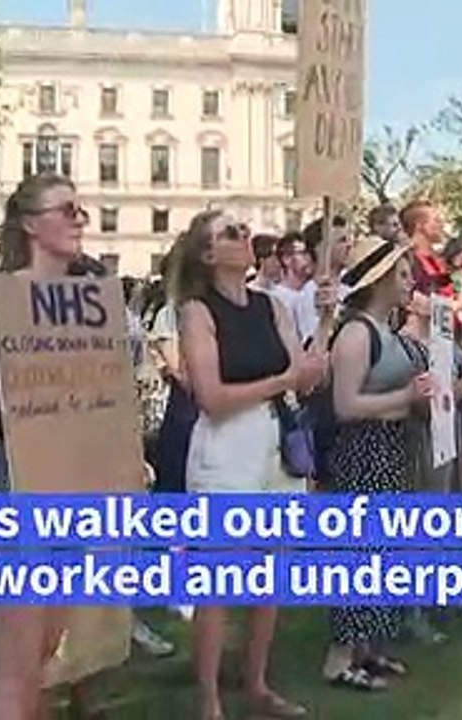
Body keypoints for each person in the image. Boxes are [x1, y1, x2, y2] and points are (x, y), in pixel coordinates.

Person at [0, 174, 127, 720]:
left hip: (77, 489)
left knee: (43, 658)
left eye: (81, 209)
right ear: (32, 226)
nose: (81, 218)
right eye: (67, 210)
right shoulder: (2, 299)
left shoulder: (91, 298)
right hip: (19, 485)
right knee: (13, 670)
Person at [171, 209, 326, 720]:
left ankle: (256, 683)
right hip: (227, 443)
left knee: (272, 568)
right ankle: (208, 697)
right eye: (230, 233)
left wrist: (322, 327)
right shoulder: (197, 311)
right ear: (208, 254)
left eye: (242, 231)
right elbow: (212, 396)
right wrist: (283, 381)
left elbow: (303, 376)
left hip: (275, 438)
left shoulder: (270, 305)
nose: (244, 238)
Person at [321, 237, 432, 691]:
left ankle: (369, 648)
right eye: (402, 273)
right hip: (362, 452)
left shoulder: (386, 333)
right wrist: (405, 397)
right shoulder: (355, 334)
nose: (410, 282)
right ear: (381, 278)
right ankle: (340, 655)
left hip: (390, 447)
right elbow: (345, 405)